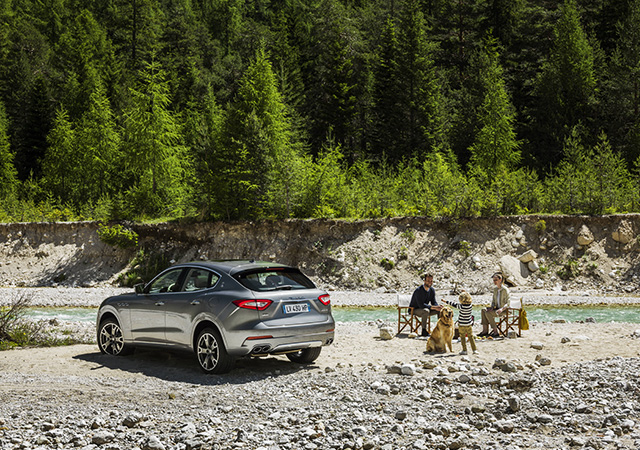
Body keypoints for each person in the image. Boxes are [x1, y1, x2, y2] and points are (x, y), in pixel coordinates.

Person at [409, 272, 441, 337]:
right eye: (428, 281)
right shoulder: (418, 290)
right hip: (414, 310)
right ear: (424, 281)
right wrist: (433, 307)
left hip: (425, 309)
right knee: (426, 311)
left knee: (440, 310)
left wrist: (437, 307)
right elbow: (421, 305)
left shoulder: (431, 290)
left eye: (431, 281)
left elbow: (433, 302)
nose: (430, 282)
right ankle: (424, 330)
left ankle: (440, 329)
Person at [479, 272, 510, 337]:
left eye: (496, 280)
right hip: (496, 309)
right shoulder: (495, 289)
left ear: (500, 280)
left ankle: (495, 331)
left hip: (504, 310)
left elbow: (508, 303)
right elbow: (493, 301)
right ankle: (485, 331)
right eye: (493, 280)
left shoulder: (505, 290)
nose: (494, 282)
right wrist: (491, 307)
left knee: (488, 313)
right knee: (483, 310)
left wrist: (501, 309)